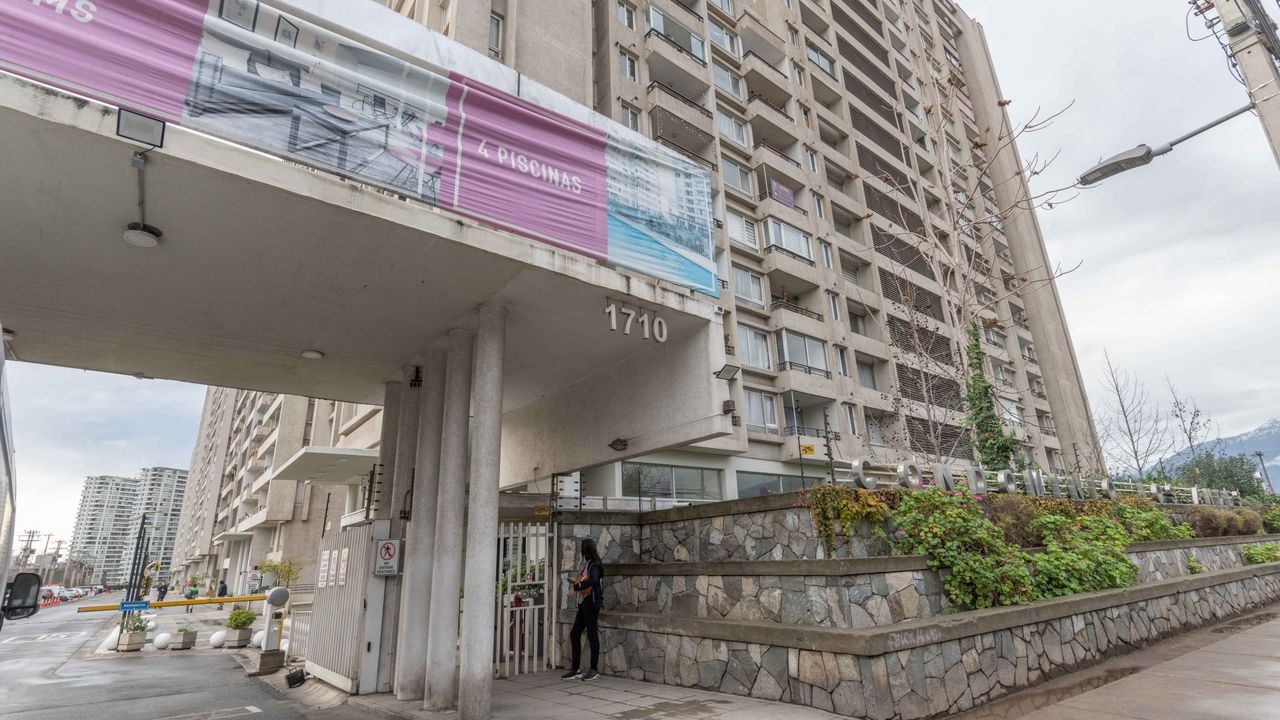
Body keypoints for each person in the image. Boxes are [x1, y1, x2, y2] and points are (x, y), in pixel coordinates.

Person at [562, 538, 605, 681]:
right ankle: (576, 669)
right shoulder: (587, 564)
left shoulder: (594, 565)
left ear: (585, 550)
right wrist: (576, 581)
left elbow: (593, 580)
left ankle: (594, 669)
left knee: (592, 634)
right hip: (584, 602)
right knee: (575, 634)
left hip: (591, 603)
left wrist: (577, 586)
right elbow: (586, 580)